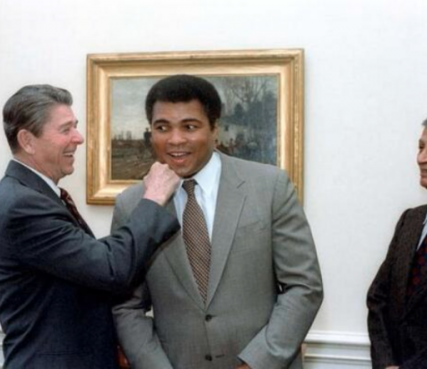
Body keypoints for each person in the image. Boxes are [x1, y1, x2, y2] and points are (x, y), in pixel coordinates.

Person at [111, 75, 323, 369]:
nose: (175, 140)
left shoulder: (269, 186)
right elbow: (127, 305)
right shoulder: (133, 204)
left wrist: (256, 364)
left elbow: (303, 286)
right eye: (162, 128)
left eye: (190, 126)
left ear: (214, 129)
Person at [0, 84, 181, 368]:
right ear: (27, 140)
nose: (79, 138)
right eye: (66, 130)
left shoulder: (35, 195)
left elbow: (87, 276)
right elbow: (111, 268)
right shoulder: (22, 206)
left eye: (75, 127)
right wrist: (154, 198)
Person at [367, 119, 427, 369]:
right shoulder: (410, 221)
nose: (421, 158)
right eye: (420, 147)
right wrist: (386, 363)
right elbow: (377, 297)